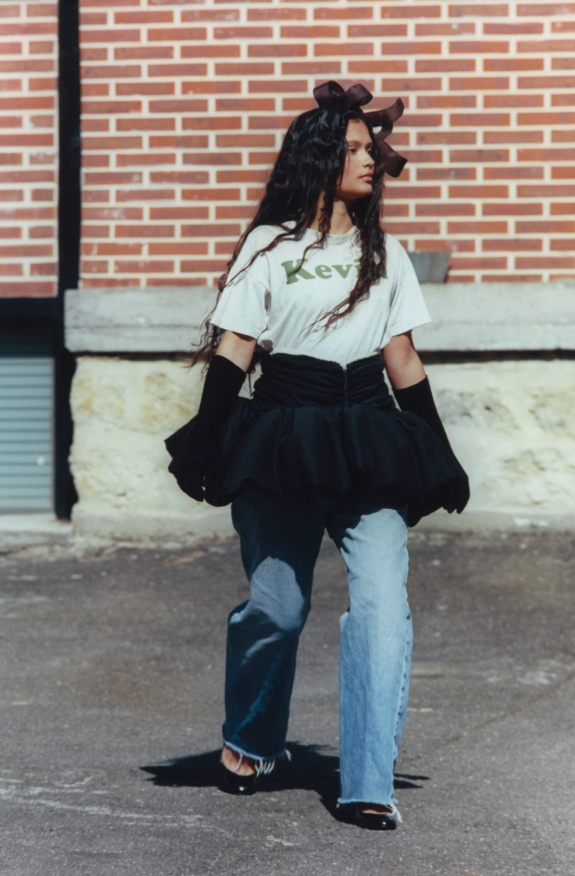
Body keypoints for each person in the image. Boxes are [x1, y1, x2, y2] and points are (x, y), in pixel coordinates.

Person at [166, 81, 469, 831]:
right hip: (283, 439)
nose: (375, 161)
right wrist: (208, 441)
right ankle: (253, 737)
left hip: (369, 435)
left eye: (375, 149)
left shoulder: (384, 252)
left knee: (379, 609)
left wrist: (440, 450)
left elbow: (401, 356)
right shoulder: (268, 247)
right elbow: (235, 349)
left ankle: (368, 781)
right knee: (277, 606)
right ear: (319, 156)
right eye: (360, 150)